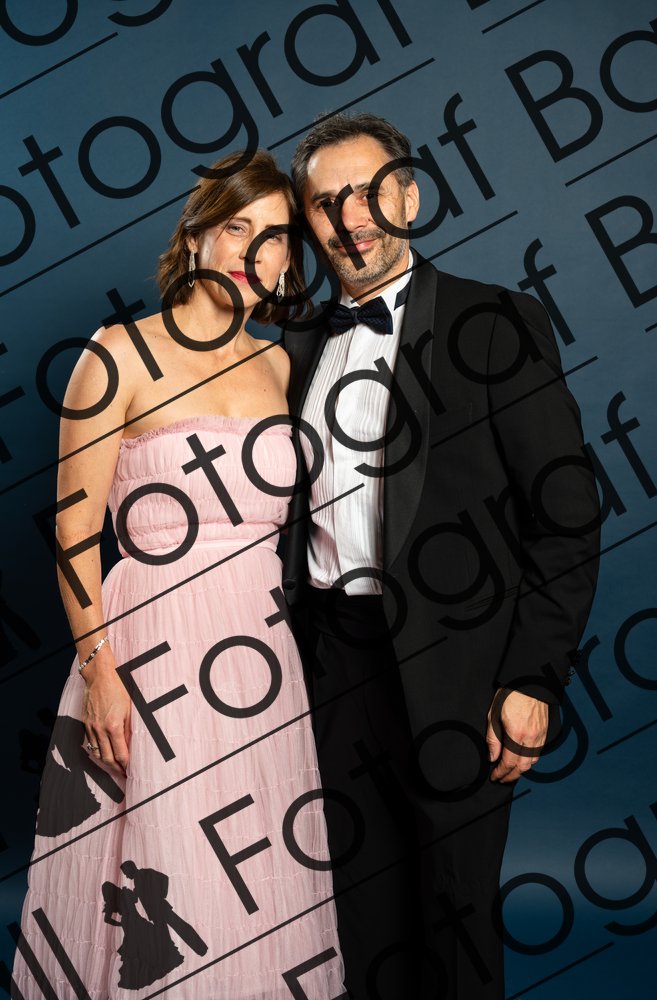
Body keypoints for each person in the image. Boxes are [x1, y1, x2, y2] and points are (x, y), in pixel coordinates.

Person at [12, 150, 345, 999]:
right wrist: (101, 674)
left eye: (275, 237)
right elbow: (74, 533)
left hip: (258, 654)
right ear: (195, 235)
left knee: (255, 859)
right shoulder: (118, 354)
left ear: (289, 260)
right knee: (159, 868)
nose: (253, 251)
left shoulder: (280, 365)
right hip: (148, 648)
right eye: (237, 226)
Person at [282, 113, 601, 999]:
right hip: (329, 666)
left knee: (452, 916)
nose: (350, 218)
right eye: (326, 203)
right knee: (356, 914)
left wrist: (534, 678)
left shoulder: (494, 321)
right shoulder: (296, 344)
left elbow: (567, 517)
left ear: (411, 196)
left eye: (368, 192)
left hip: (458, 671)